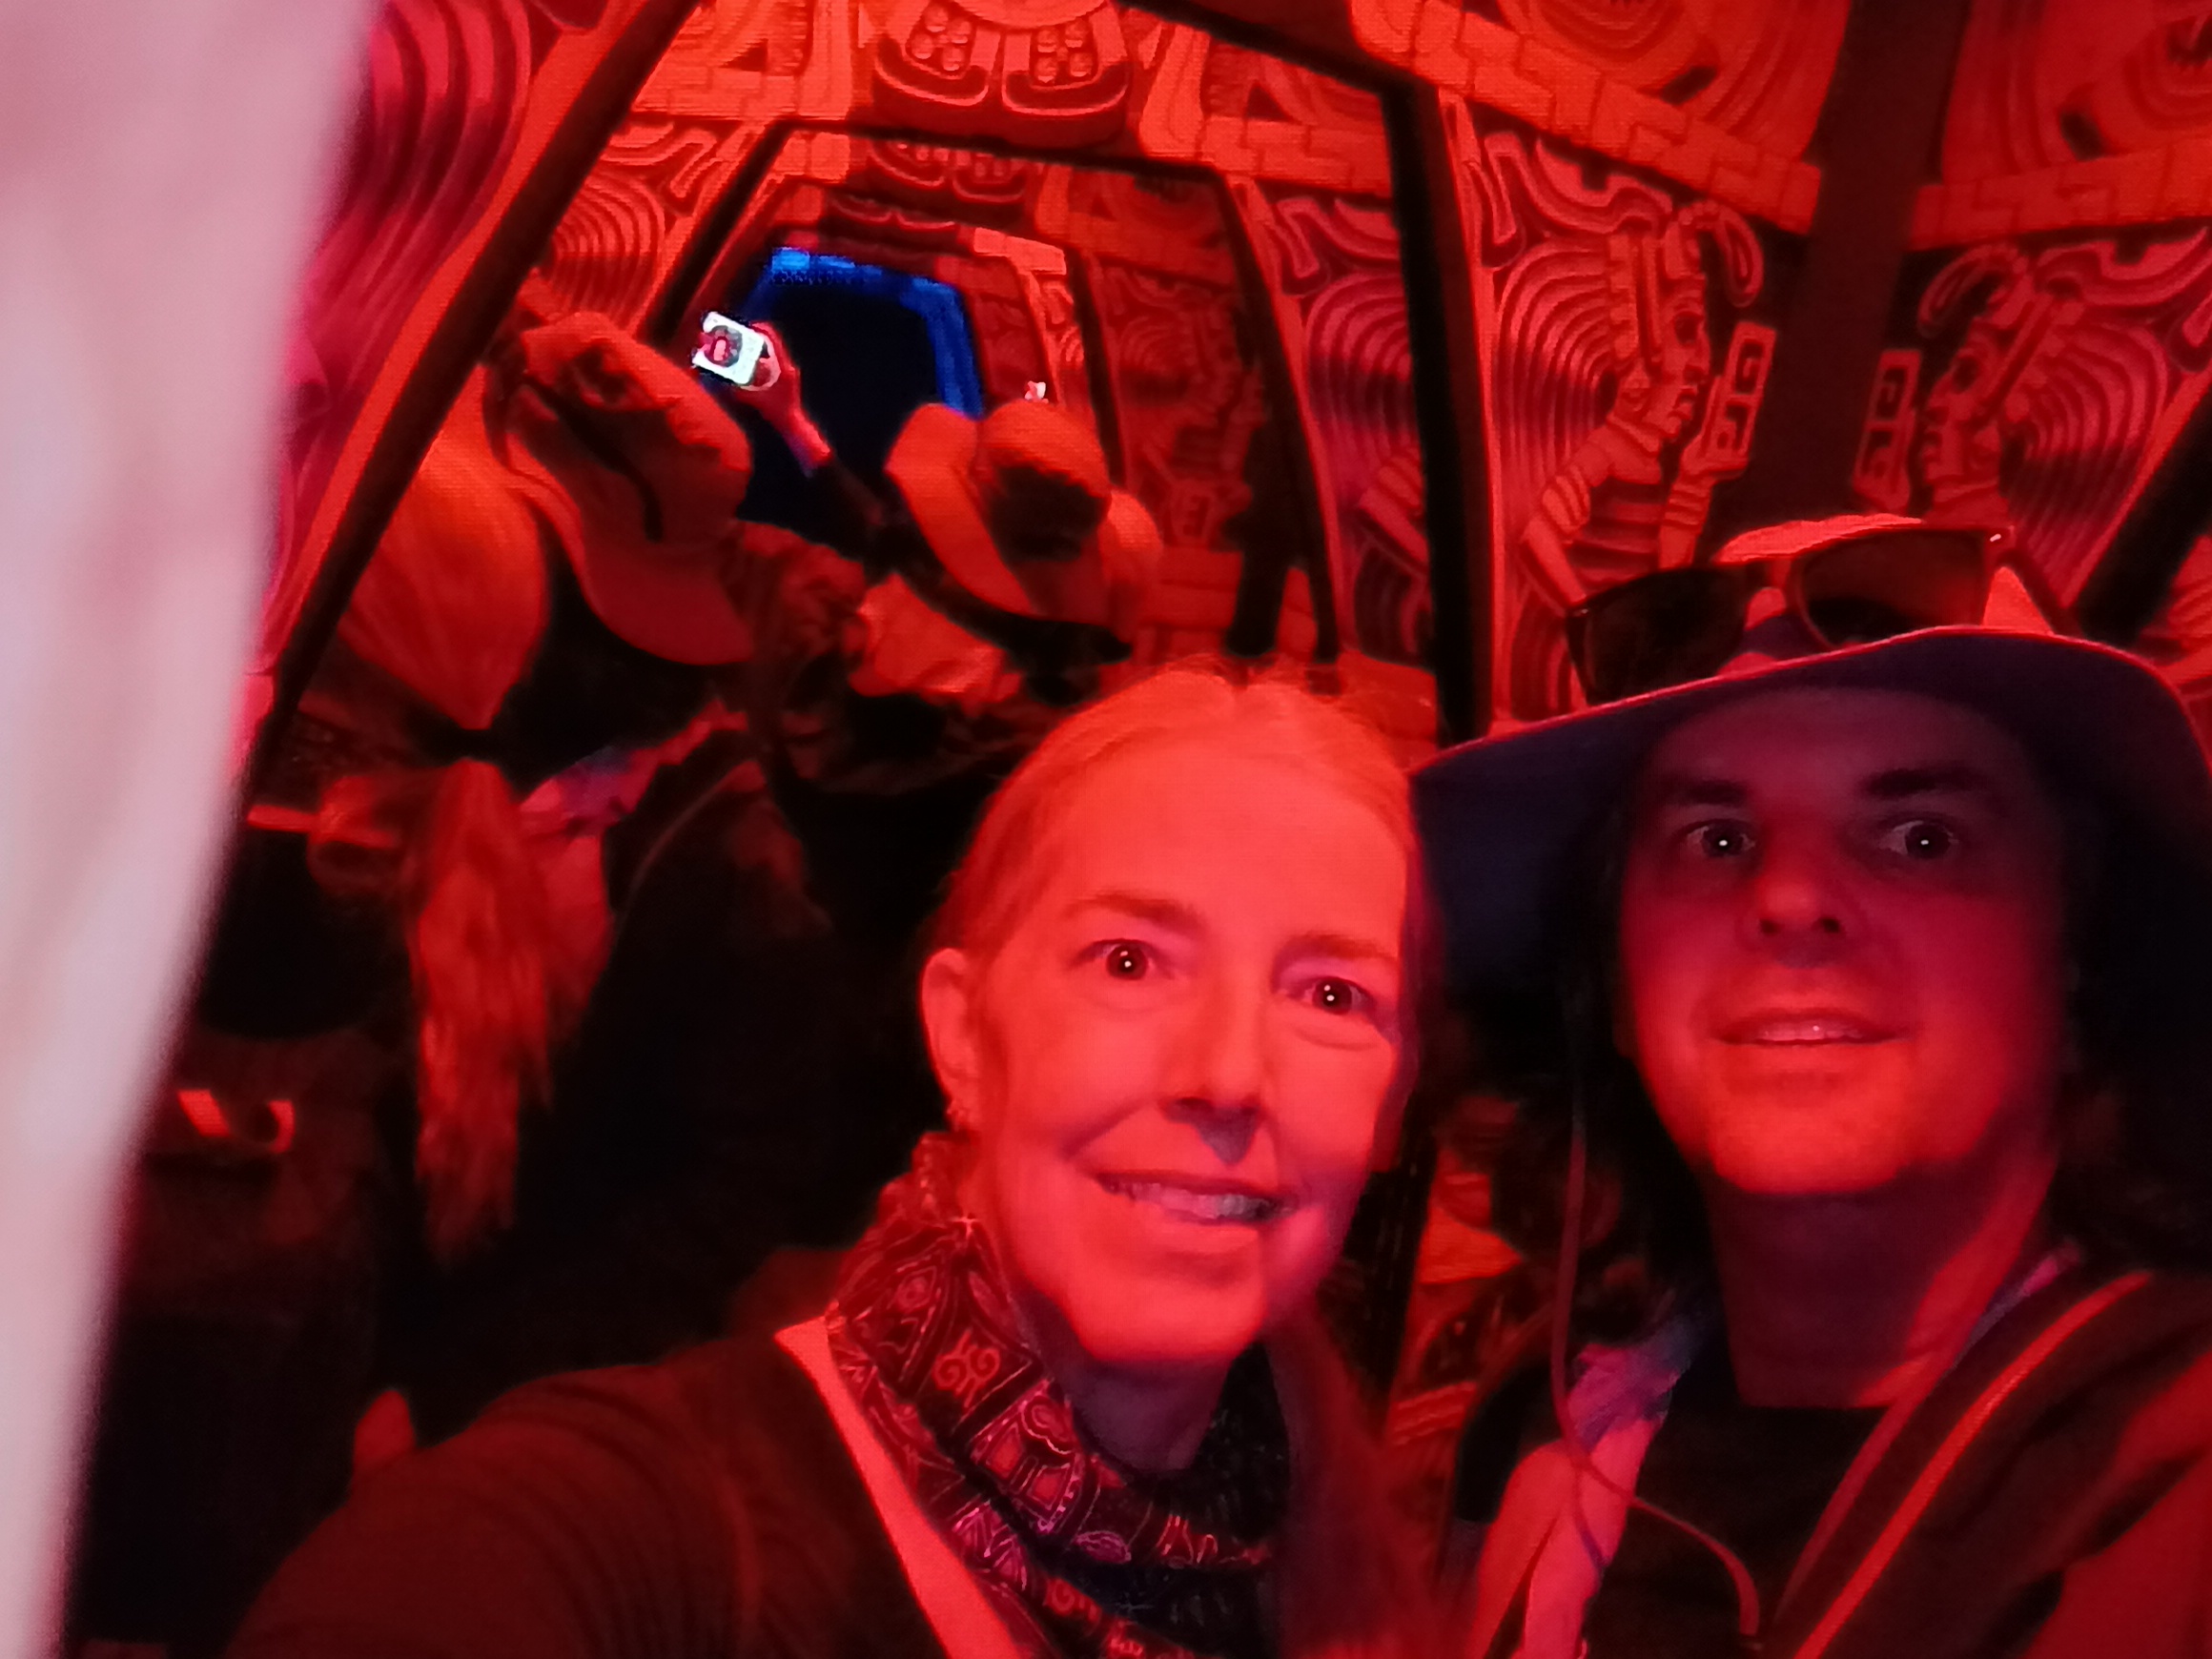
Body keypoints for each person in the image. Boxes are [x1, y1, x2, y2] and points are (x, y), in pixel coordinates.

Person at [228, 663, 1437, 1659]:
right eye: (1128, 962)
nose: (1227, 1073)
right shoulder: (642, 1532)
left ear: (1393, 1103)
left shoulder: (1301, 1562)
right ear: (963, 1036)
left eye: (1330, 995)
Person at [1415, 515, 2212, 1659]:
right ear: (1615, 988)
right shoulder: (1534, 1443)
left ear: (2081, 953)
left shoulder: (2174, 1486)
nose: (1788, 897)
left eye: (1921, 838)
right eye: (1714, 840)